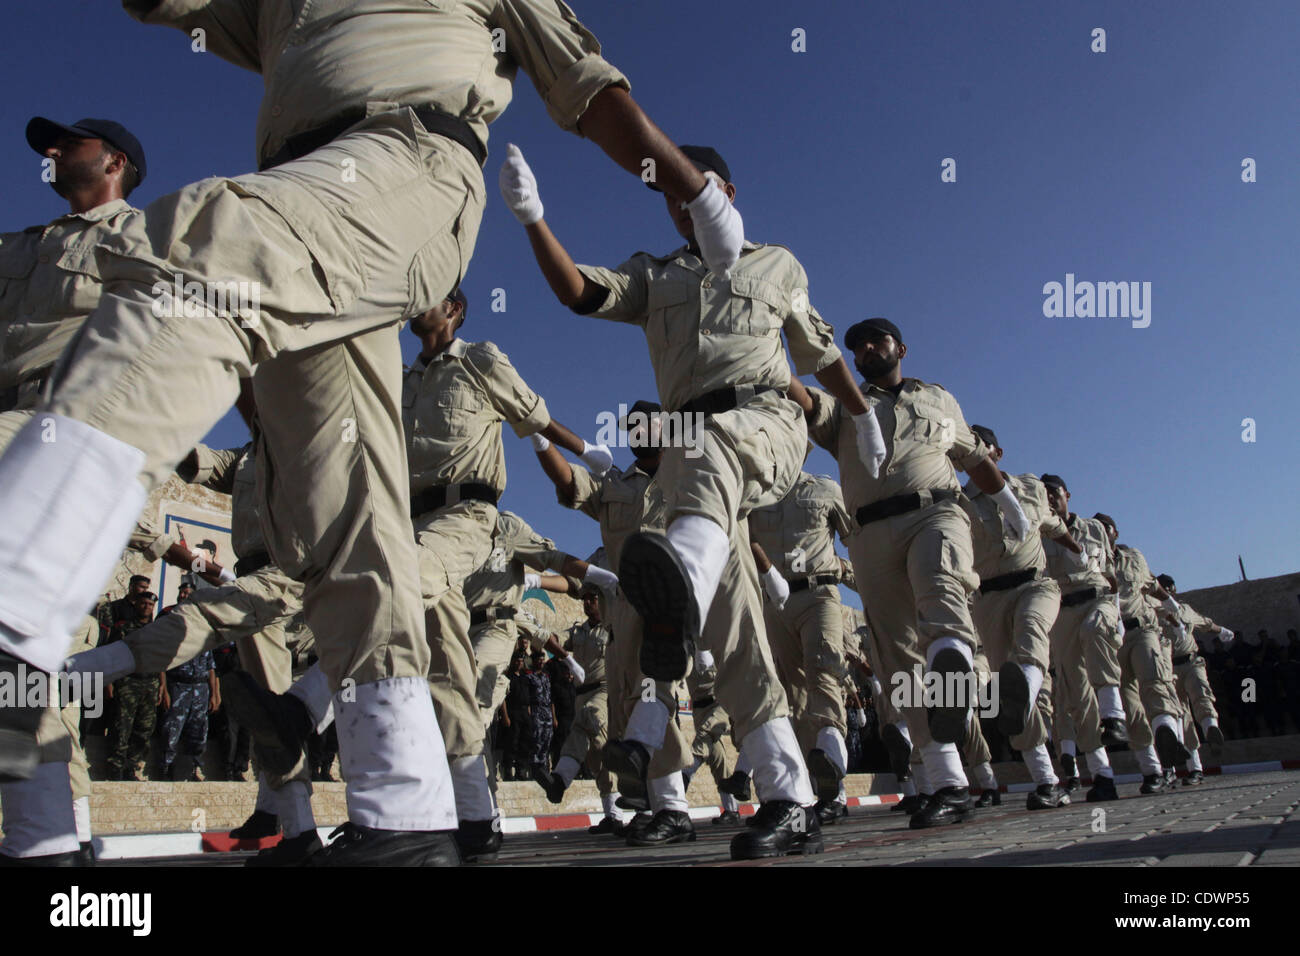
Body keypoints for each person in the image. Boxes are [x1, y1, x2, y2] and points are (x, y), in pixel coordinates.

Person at [0, 0, 747, 867]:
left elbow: (582, 87)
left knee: (209, 247)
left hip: (409, 161)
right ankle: (404, 811)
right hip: (304, 193)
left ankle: (16, 601)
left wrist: (690, 191)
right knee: (337, 497)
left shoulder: (479, 359)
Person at [504, 142, 875, 859]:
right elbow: (580, 292)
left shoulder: (778, 264)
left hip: (765, 420)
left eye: (688, 193)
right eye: (667, 199)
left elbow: (820, 352)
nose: (678, 209)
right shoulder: (655, 273)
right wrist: (532, 218)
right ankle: (789, 796)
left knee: (710, 463)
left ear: (724, 190)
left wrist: (858, 420)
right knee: (734, 631)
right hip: (691, 457)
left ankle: (666, 645)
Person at [795, 317, 1032, 829]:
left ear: (900, 347)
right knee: (900, 661)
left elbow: (970, 456)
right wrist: (772, 349)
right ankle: (948, 783)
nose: (865, 350)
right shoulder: (846, 409)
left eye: (876, 340)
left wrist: (1007, 500)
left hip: (936, 511)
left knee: (941, 584)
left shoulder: (939, 400)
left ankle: (952, 660)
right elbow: (807, 400)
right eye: (855, 347)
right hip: (870, 534)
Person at [527, 401, 694, 844]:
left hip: (670, 600)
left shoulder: (690, 472)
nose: (639, 430)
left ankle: (675, 807)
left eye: (648, 423)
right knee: (623, 711)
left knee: (653, 695)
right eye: (631, 426)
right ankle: (655, 804)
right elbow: (570, 484)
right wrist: (539, 438)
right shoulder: (613, 485)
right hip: (622, 612)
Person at [960, 426, 1084, 811]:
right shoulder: (958, 503)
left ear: (997, 452)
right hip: (989, 598)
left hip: (1036, 584)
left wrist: (1076, 549)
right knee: (1008, 687)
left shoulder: (1029, 487)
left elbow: (1053, 525)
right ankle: (1046, 782)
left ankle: (1024, 687)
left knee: (1030, 634)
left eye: (983, 447)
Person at [747, 469, 854, 822]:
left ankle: (834, 788)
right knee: (793, 695)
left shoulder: (825, 488)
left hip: (820, 594)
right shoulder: (756, 496)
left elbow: (859, 539)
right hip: (775, 601)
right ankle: (810, 788)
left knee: (824, 673)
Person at [1040, 474, 1126, 802]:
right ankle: (1102, 774)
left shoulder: (1094, 529)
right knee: (1078, 696)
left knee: (1095, 630)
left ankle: (1114, 716)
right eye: (1044, 494)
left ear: (1067, 495)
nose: (1049, 499)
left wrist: (1117, 614)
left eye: (1054, 493)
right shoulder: (1039, 533)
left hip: (1097, 599)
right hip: (1063, 610)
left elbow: (1111, 577)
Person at [1096, 514, 1189, 794]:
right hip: (1113, 637)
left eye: (1106, 527)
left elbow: (1150, 583)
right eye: (1097, 527)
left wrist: (1169, 602)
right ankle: (1152, 771)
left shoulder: (1133, 556)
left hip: (1142, 629)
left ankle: (1166, 733)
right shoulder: (1089, 556)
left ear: (1115, 531)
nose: (1102, 531)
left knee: (1154, 682)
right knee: (1131, 707)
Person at [1156, 574, 1228, 783]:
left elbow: (1205, 624)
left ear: (1174, 589)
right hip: (1170, 667)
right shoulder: (1156, 611)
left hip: (1191, 661)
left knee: (1202, 694)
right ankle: (1194, 768)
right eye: (1162, 588)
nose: (1166, 591)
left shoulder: (1185, 610)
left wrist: (1222, 630)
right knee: (1181, 715)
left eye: (1168, 588)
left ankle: (1210, 728)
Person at [104, 592, 164, 781]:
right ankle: (115, 767)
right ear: (136, 604)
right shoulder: (124, 628)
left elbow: (162, 658)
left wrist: (163, 685)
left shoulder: (157, 630)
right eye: (143, 603)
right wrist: (110, 682)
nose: (146, 607)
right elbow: (111, 655)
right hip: (128, 681)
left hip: (150, 682)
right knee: (122, 725)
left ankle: (131, 766)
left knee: (144, 728)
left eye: (150, 604)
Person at [159, 647, 219, 781]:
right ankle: (166, 767)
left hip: (200, 690)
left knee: (199, 731)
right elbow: (162, 665)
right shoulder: (176, 638)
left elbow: (211, 669)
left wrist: (214, 694)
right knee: (172, 729)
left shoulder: (205, 642)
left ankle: (193, 768)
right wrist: (164, 690)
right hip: (179, 687)